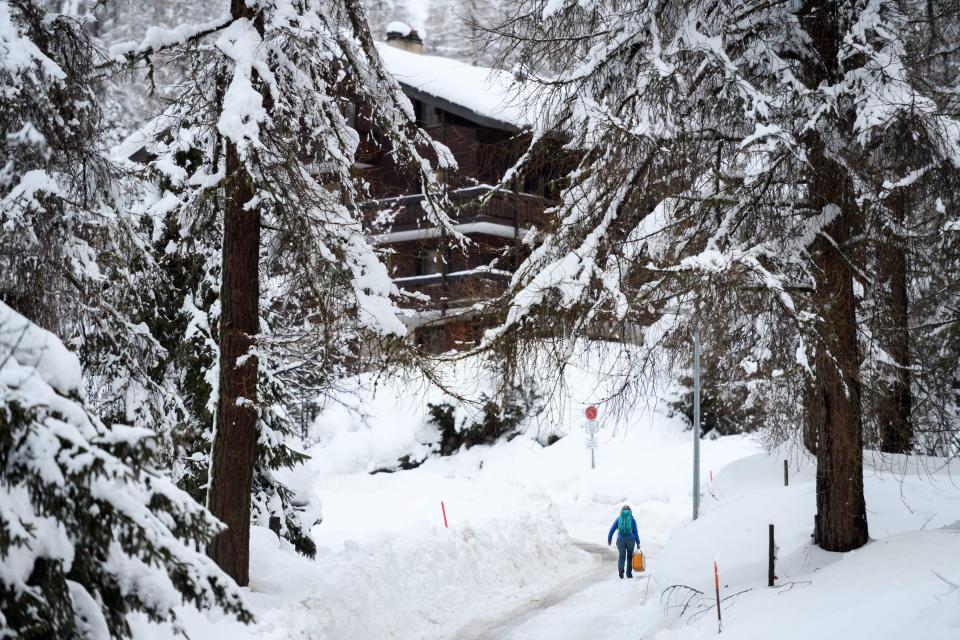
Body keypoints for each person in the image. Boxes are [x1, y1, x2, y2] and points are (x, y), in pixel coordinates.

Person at [607, 505, 641, 579]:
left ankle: (621, 569)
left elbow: (612, 529)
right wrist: (638, 543)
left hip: (620, 540)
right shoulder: (632, 519)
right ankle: (628, 574)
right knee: (629, 556)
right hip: (631, 539)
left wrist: (609, 539)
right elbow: (636, 532)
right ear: (630, 512)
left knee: (621, 556)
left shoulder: (619, 519)